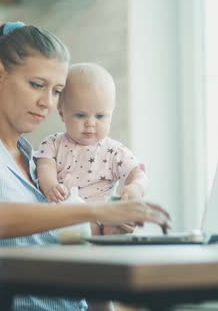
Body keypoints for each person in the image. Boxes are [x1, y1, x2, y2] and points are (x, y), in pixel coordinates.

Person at [0, 21, 170, 311]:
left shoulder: (38, 161)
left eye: (57, 91)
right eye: (37, 85)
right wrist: (96, 210)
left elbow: (58, 242)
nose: (47, 103)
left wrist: (109, 225)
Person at [35, 62, 148, 235]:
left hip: (101, 217)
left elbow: (139, 172)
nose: (90, 123)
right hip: (64, 215)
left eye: (100, 116)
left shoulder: (115, 151)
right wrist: (50, 185)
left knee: (116, 224)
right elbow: (44, 166)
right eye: (81, 115)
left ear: (111, 113)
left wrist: (135, 188)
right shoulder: (53, 144)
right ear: (62, 112)